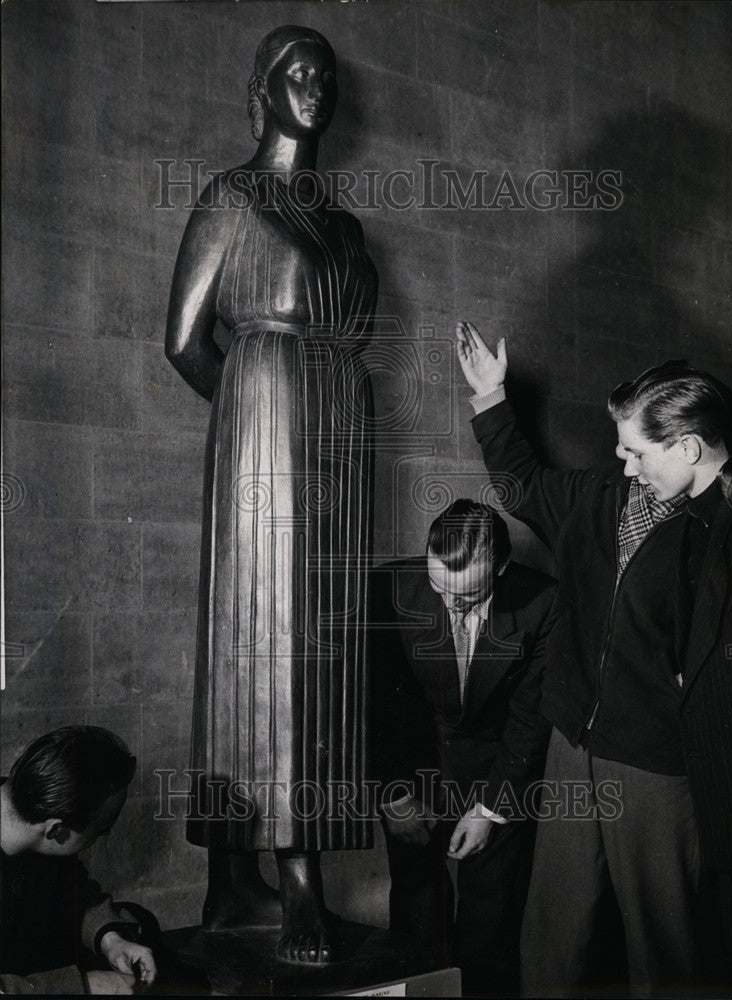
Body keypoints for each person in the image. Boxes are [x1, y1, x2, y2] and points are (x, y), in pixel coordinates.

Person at [165, 25, 378, 963]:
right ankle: (284, 882)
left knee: (322, 651)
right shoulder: (231, 197)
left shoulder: (344, 223)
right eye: (295, 74)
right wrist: (253, 422)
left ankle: (252, 882)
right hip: (262, 433)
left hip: (335, 440)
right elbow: (183, 340)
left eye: (324, 77)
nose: (314, 88)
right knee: (262, 646)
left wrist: (314, 426)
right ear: (259, 89)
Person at [456, 322, 732, 998]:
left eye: (635, 452)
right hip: (571, 737)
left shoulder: (730, 526)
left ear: (686, 446)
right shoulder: (603, 497)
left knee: (662, 942)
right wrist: (490, 398)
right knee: (553, 928)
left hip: (655, 761)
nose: (623, 466)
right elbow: (524, 485)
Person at [370, 499, 556, 997]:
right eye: (439, 588)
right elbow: (375, 702)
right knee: (416, 909)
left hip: (497, 775)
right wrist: (393, 794)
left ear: (500, 567)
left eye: (468, 594)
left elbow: (530, 719)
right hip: (413, 769)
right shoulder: (388, 587)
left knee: (489, 925)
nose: (452, 605)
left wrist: (491, 809)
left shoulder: (544, 603)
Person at [0, 726, 159, 995]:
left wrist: (110, 939)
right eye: (100, 830)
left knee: (141, 924)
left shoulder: (29, 803)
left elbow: (70, 890)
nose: (104, 836)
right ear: (56, 831)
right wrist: (83, 985)